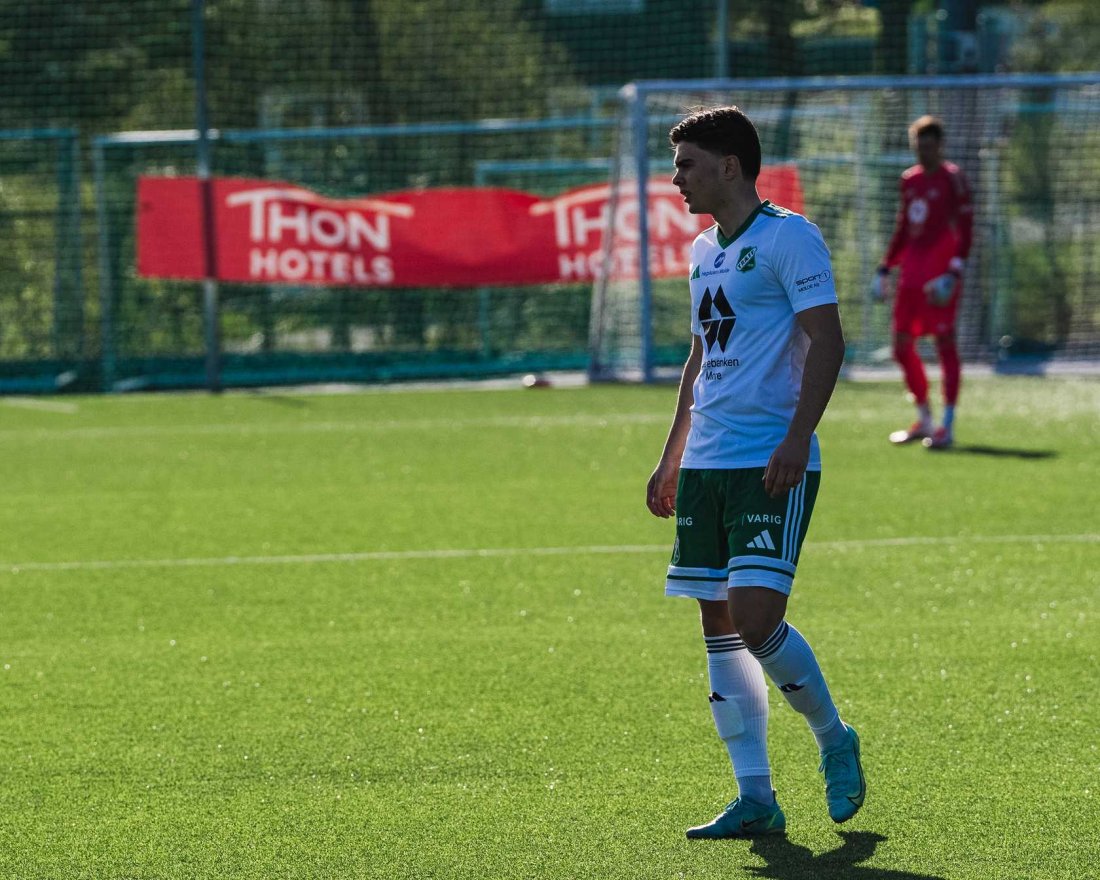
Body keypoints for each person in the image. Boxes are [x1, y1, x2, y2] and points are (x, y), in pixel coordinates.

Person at [646, 106, 864, 840]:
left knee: (755, 615)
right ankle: (756, 797)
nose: (676, 178)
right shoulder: (703, 250)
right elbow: (700, 358)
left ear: (729, 166)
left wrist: (798, 438)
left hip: (770, 455)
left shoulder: (789, 237)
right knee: (717, 623)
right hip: (707, 461)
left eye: (686, 164)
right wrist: (672, 454)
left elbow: (828, 342)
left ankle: (834, 736)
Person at [871, 114, 973, 450]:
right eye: (918, 146)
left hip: (940, 275)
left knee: (945, 344)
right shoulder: (910, 180)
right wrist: (885, 268)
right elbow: (903, 228)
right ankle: (923, 417)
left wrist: (953, 272)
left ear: (940, 146)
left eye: (928, 146)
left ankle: (948, 423)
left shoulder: (953, 179)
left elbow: (967, 229)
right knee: (901, 346)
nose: (922, 152)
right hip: (911, 275)